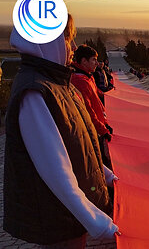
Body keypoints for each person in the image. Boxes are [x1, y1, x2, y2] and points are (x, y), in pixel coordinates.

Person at [4, 14, 118, 247]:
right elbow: (56, 171)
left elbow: (78, 140)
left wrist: (105, 173)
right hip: (59, 218)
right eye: (68, 39)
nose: (74, 47)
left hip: (70, 216)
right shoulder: (35, 92)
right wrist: (96, 221)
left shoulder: (58, 83)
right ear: (50, 41)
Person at [71, 45, 114, 170]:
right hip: (93, 131)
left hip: (99, 126)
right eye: (93, 60)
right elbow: (88, 111)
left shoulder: (88, 77)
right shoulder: (80, 81)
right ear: (84, 61)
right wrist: (103, 130)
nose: (97, 63)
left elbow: (97, 97)